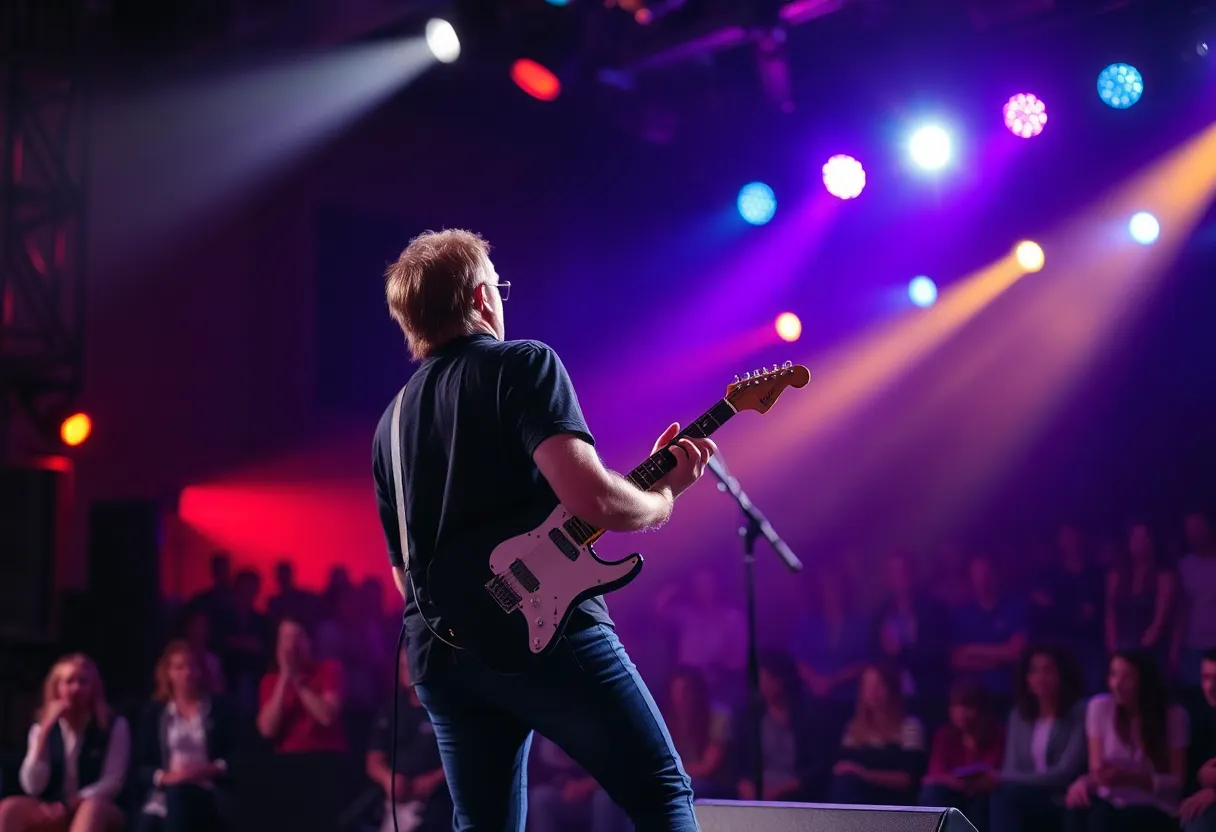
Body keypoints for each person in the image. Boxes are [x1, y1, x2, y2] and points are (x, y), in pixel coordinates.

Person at [371, 229, 717, 831]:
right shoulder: (523, 363)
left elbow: (405, 572)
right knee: (661, 795)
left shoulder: (388, 426)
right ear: (482, 297)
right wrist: (662, 499)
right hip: (549, 633)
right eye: (497, 286)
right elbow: (592, 499)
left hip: (441, 654)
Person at [0, 654, 128, 832]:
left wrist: (71, 803)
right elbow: (32, 786)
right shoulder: (43, 728)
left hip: (100, 806)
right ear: (57, 687)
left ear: (93, 688)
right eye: (69, 681)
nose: (75, 688)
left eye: (83, 682)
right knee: (8, 809)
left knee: (91, 809)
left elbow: (112, 781)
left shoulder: (113, 725)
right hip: (54, 804)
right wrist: (44, 733)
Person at [132, 641, 238, 832]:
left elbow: (237, 755)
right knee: (150, 820)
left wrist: (208, 770)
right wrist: (166, 777)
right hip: (168, 788)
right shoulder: (154, 713)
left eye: (191, 666)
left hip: (209, 786)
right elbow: (141, 765)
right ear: (168, 673)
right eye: (179, 667)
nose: (187, 673)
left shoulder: (220, 709)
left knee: (180, 798)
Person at [990, 645, 1087, 832]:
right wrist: (1005, 779)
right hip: (1027, 796)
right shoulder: (1018, 716)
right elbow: (1011, 768)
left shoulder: (1080, 713)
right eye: (1034, 671)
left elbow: (1064, 774)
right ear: (1026, 678)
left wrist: (1001, 778)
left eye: (1048, 670)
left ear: (1062, 675)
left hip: (1063, 796)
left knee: (1006, 793)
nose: (1040, 678)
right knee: (998, 796)